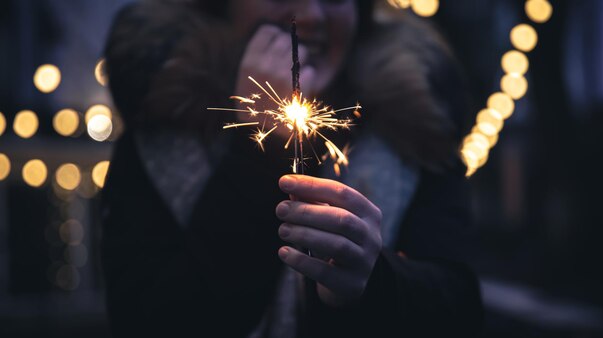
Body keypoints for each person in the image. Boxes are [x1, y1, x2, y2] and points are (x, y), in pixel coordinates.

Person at [101, 0, 483, 337]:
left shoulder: (418, 130)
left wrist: (373, 284)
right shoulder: (160, 135)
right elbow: (147, 320)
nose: (311, 14)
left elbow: (457, 313)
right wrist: (255, 152)